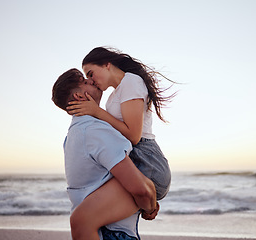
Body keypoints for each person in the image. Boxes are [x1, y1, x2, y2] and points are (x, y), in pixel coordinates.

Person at [52, 68, 159, 240]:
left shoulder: (73, 135)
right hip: (111, 233)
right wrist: (150, 208)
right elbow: (140, 189)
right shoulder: (95, 131)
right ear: (79, 96)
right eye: (86, 82)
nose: (92, 81)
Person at [67, 46, 173, 201]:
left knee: (87, 210)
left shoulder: (131, 81)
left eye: (91, 74)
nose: (90, 80)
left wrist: (97, 112)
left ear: (106, 64)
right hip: (136, 159)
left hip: (147, 162)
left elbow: (133, 136)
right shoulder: (114, 95)